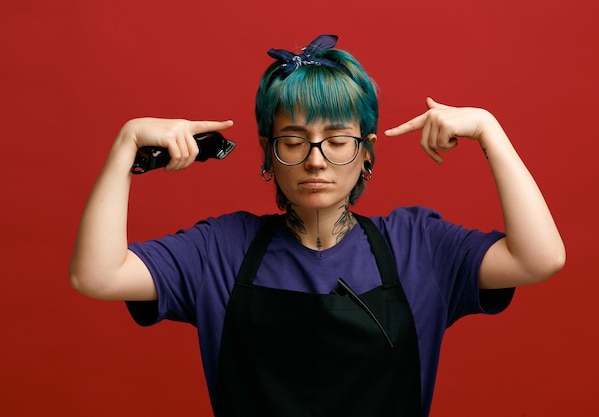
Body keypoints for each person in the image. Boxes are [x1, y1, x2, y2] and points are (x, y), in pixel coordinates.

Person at [69, 34, 565, 417]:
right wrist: (126, 145)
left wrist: (489, 131)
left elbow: (539, 258)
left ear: (367, 152)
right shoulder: (220, 249)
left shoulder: (419, 247)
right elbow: (97, 275)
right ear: (269, 153)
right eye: (293, 139)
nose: (316, 161)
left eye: (337, 139)